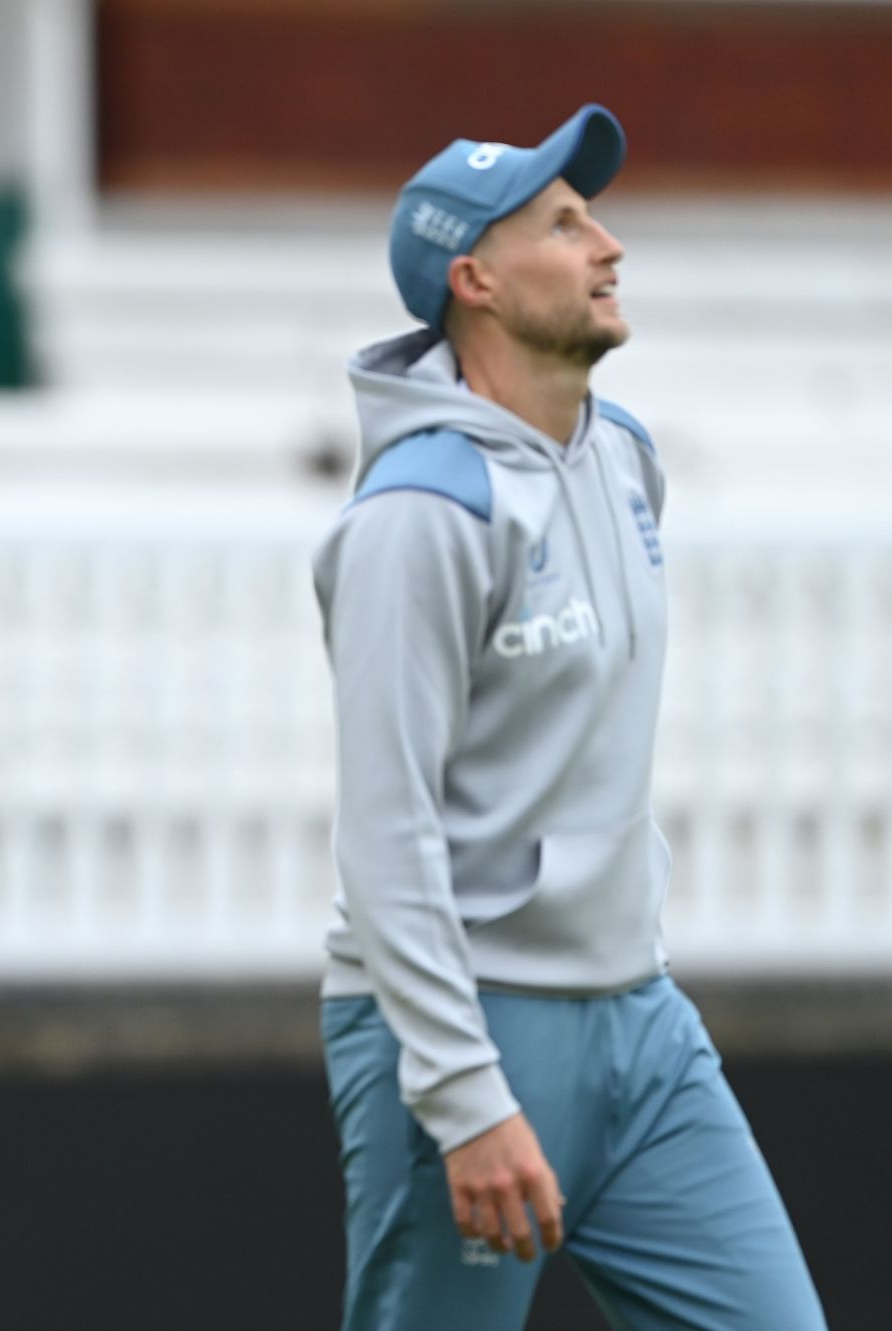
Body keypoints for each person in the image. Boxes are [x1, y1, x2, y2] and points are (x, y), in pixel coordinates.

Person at [311, 106, 827, 1329]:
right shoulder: (416, 517)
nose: (610, 246)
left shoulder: (628, 456)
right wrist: (466, 1092)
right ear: (473, 279)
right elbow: (389, 835)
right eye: (565, 221)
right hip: (461, 1032)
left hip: (641, 1023)